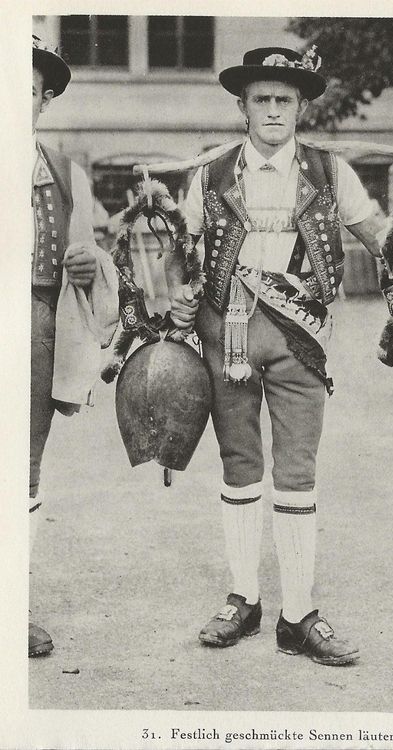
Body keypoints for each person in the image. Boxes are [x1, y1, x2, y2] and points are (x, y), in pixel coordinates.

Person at [168, 46, 383, 665]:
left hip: (300, 339)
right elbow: (182, 254)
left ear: (302, 107)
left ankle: (298, 613)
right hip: (226, 334)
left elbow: (381, 235)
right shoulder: (208, 174)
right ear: (242, 106)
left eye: (282, 100)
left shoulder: (331, 172)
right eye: (259, 99)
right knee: (239, 462)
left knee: (297, 469)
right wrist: (180, 295)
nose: (271, 111)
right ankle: (243, 598)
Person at [30, 35, 118, 657]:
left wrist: (90, 266)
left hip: (36, 330)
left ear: (44, 99)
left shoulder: (65, 175)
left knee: (22, 473)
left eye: (27, 90)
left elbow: (92, 263)